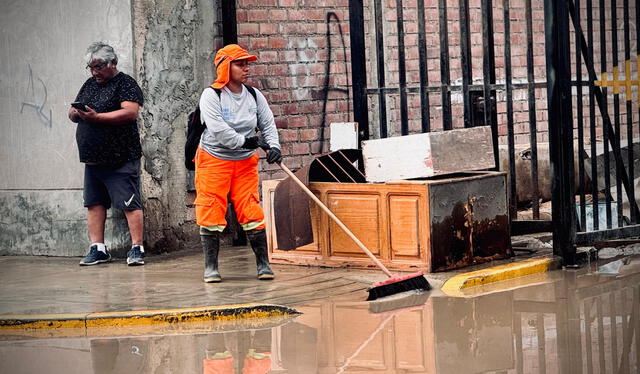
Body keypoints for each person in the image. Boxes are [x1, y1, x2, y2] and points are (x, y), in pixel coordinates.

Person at [195, 44, 282, 283]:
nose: (246, 68)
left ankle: (263, 265)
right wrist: (250, 141)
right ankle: (211, 267)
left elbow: (267, 123)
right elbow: (220, 132)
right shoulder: (211, 96)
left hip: (244, 163)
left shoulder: (253, 95)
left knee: (251, 210)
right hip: (214, 161)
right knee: (211, 210)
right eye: (240, 64)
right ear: (225, 66)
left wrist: (274, 147)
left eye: (247, 63)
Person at [68, 42, 146, 267]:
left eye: (99, 66)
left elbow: (130, 112)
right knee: (94, 203)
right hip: (92, 159)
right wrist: (75, 113)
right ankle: (98, 248)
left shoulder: (125, 83)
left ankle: (137, 248)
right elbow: (73, 114)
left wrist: (97, 117)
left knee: (129, 203)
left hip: (119, 156)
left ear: (113, 63)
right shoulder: (89, 84)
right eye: (91, 67)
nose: (95, 72)